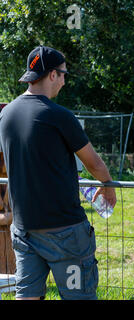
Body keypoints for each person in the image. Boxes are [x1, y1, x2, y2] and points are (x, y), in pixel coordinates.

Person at [0, 45, 116, 300]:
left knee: (27, 296)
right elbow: (93, 163)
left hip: (24, 228)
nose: (64, 81)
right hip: (65, 232)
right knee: (78, 295)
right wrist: (107, 183)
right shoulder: (59, 115)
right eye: (64, 74)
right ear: (53, 74)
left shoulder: (6, 114)